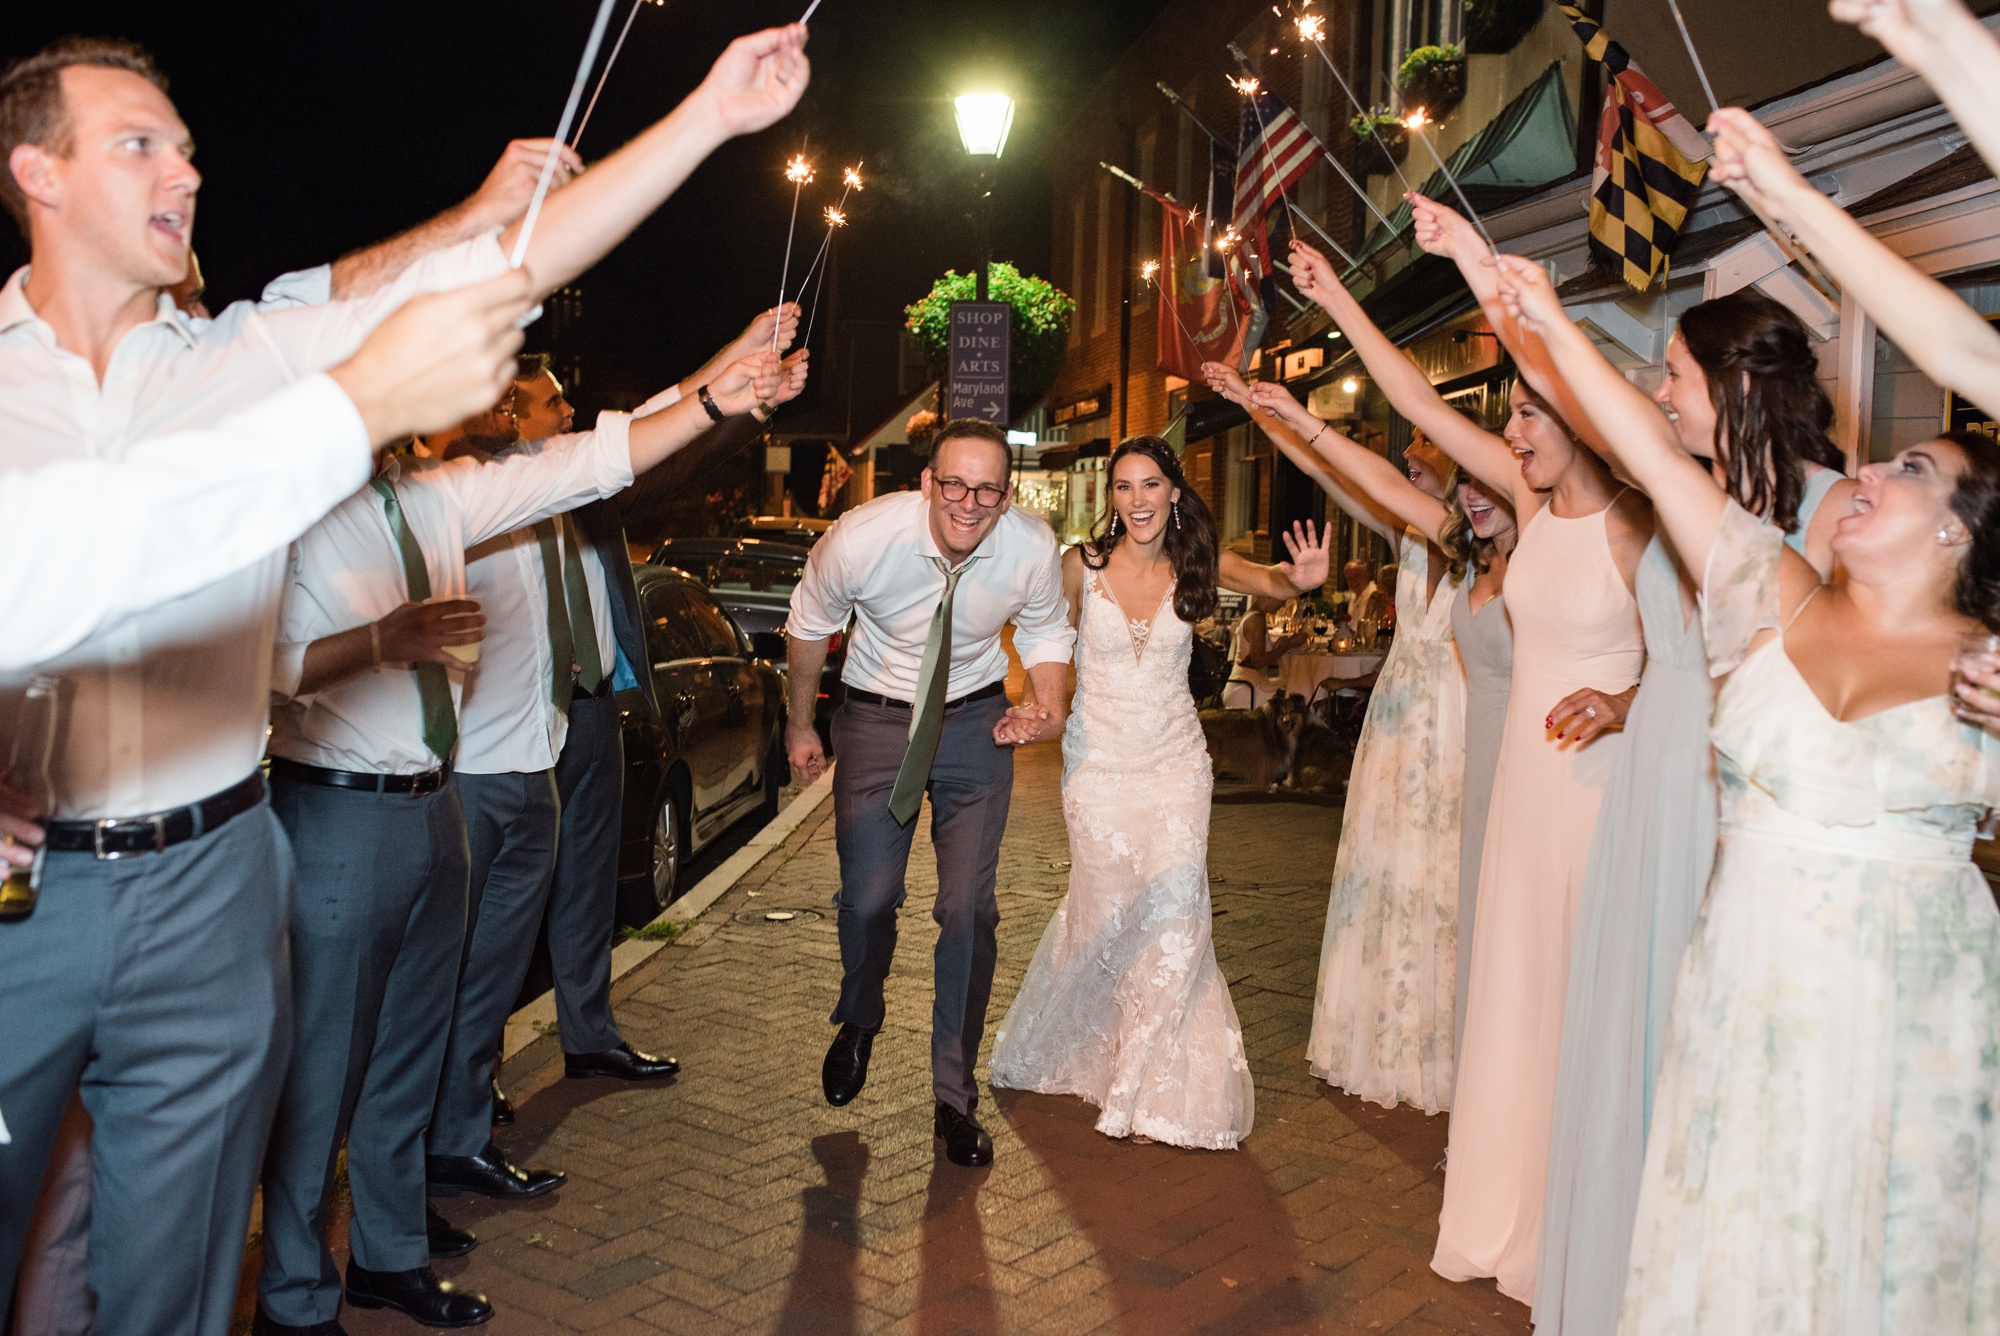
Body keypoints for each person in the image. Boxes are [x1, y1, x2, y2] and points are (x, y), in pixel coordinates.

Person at [0, 25, 808, 1333]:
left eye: (191, 148)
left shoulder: (231, 367)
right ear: (37, 173)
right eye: (139, 144)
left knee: (180, 1281)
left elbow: (501, 267)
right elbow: (78, 556)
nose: (186, 172)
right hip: (34, 891)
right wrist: (355, 401)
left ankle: (328, 1273)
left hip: (215, 872)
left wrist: (711, 115)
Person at [1492, 246, 2000, 1336]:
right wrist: (1538, 315)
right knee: (1734, 1240)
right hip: (1743, 1001)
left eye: (1908, 469)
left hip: (1911, 1022)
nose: (1865, 473)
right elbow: (1646, 446)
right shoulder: (1768, 595)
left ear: (1960, 526)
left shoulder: (1988, 665)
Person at [250, 348, 784, 1334]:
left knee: (413, 1051)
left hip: (433, 805)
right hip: (334, 810)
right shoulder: (283, 509)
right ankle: (290, 1295)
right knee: (322, 1073)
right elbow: (247, 672)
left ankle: (387, 1254)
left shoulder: (442, 495)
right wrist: (379, 642)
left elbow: (593, 459)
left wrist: (719, 390)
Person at [1405, 187, 1853, 1332]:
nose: (1656, 394)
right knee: (1611, 1032)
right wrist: (1476, 264)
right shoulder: (1683, 487)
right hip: (1646, 772)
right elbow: (1568, 384)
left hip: (1723, 789)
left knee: (1685, 1037)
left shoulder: (1822, 514)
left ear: (1734, 391)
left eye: (1675, 379)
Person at [1288, 235, 1652, 1303]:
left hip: (1595, 795)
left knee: (1574, 1007)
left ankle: (1575, 1216)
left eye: (1527, 417)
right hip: (1520, 800)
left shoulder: (1639, 529)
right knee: (1507, 999)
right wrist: (1340, 301)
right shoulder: (1527, 511)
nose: (1507, 436)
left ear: (1577, 419)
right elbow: (1412, 397)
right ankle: (1502, 1208)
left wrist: (1625, 700)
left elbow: (1701, 661)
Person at [989, 439, 1329, 1149]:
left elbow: (1271, 581)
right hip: (1100, 767)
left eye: (1151, 484)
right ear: (1110, 497)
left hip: (1176, 764)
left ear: (1175, 492)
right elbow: (1044, 641)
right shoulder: (1079, 568)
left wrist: (1302, 581)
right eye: (1124, 486)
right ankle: (1095, 1050)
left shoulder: (1198, 564)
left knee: (1173, 921)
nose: (1138, 499)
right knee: (1110, 917)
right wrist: (1036, 708)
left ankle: (1147, 1084)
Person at [511, 308, 802, 1087]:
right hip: (517, 722)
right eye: (550, 404)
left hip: (598, 707)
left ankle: (588, 1032)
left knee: (590, 882)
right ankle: (468, 1080)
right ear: (511, 417)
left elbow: (665, 423)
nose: (569, 411)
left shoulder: (590, 482)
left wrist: (749, 384)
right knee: (504, 907)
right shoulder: (494, 497)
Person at [786, 419, 1075, 1167]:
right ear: (927, 483)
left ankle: (954, 1098)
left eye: (986, 490)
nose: (968, 504)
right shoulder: (862, 538)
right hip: (878, 721)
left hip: (976, 721)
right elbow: (808, 627)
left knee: (968, 910)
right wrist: (799, 730)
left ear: (1006, 496)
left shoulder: (1029, 547)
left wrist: (1049, 706)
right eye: (954, 484)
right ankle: (861, 1013)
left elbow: (1047, 630)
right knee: (869, 899)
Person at [0, 281, 526, 673]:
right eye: (179, 303)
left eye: (198, 299)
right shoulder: (45, 447)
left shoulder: (269, 474)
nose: (202, 321)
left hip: (240, 801)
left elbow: (251, 670)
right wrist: (376, 644)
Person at [1219, 361, 1479, 1114]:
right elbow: (1324, 466)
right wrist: (1261, 410)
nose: (1409, 454)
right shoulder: (1405, 534)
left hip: (1455, 723)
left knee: (1444, 881)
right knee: (1386, 875)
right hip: (1397, 728)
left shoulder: (1485, 545)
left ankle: (1444, 1042)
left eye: (1425, 443)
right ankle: (1380, 1030)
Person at [1222, 593, 1303, 708]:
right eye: (1281, 599)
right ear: (1268, 596)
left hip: (1246, 685)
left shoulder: (1252, 614)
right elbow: (1258, 662)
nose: (1283, 605)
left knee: (1294, 686)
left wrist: (1278, 646)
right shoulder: (1257, 620)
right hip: (1246, 691)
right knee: (1298, 694)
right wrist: (1289, 645)